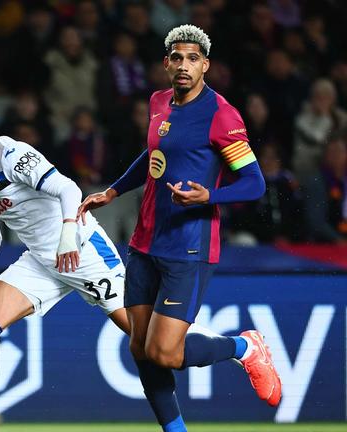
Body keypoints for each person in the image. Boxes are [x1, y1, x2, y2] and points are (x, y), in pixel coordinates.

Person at [77, 25, 281, 432]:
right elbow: (153, 154)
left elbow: (254, 182)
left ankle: (244, 346)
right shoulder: (158, 102)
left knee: (165, 352)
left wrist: (209, 197)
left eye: (192, 59)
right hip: (144, 241)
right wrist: (114, 191)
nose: (184, 66)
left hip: (189, 247)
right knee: (139, 347)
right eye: (177, 58)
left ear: (205, 65)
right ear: (166, 63)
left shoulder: (221, 114)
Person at [0, 104, 131, 407]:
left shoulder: (10, 154)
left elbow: (68, 189)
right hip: (41, 261)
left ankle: (229, 347)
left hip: (82, 249)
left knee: (151, 341)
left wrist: (67, 237)